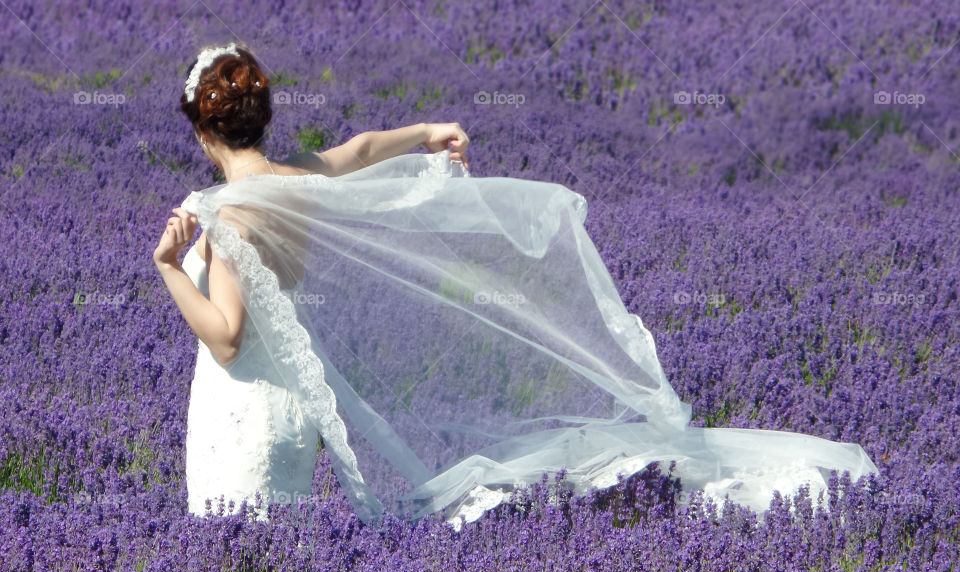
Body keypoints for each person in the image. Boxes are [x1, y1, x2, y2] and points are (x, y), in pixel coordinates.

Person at [155, 42, 879, 527]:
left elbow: (226, 337)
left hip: (241, 409)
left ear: (201, 131)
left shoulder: (225, 216)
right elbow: (360, 151)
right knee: (275, 545)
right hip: (291, 414)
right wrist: (431, 129)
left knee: (236, 546)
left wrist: (166, 269)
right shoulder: (297, 182)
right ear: (262, 119)